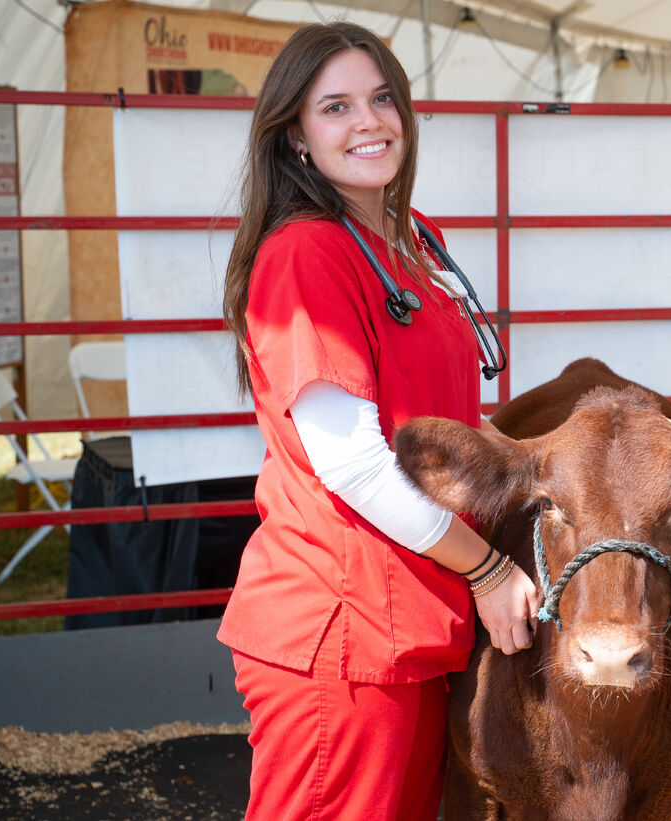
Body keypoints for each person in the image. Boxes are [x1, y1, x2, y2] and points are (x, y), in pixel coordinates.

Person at [216, 22, 540, 821]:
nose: (369, 121)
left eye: (382, 97)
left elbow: (445, 422)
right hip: (344, 631)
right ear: (294, 136)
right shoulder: (305, 255)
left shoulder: (412, 238)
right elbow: (356, 464)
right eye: (336, 107)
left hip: (412, 623)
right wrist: (489, 570)